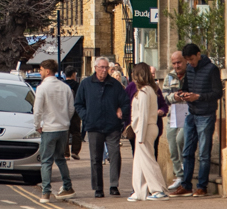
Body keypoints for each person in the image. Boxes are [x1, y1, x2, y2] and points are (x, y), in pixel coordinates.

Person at [168, 43, 224, 197]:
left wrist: (198, 96)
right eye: (187, 60)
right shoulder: (190, 69)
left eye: (191, 59)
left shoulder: (212, 69)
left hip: (206, 114)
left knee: (204, 154)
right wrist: (183, 94)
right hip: (191, 114)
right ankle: (186, 185)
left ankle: (202, 186)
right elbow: (186, 87)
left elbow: (217, 93)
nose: (190, 63)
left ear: (199, 55)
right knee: (187, 151)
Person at [74, 57, 130, 198]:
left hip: (112, 126)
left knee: (115, 155)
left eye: (106, 68)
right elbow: (78, 104)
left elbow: (125, 102)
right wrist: (86, 116)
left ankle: (113, 185)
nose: (104, 70)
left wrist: (121, 112)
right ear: (95, 68)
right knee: (96, 158)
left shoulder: (115, 85)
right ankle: (98, 188)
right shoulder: (86, 84)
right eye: (101, 67)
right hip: (94, 126)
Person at [33, 59, 75, 200]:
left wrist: (37, 125)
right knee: (60, 159)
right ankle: (67, 187)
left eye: (40, 70)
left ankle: (46, 192)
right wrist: (65, 121)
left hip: (49, 128)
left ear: (47, 71)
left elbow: (37, 110)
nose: (40, 73)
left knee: (46, 161)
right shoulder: (65, 87)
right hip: (63, 128)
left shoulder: (42, 88)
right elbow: (71, 108)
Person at [127, 63, 169, 201]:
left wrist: (140, 134)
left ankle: (158, 189)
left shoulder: (145, 92)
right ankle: (139, 191)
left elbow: (143, 115)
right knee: (139, 161)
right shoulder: (150, 89)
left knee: (148, 161)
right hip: (145, 128)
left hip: (145, 128)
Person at [162, 51, 188, 188]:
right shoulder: (170, 77)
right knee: (172, 146)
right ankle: (179, 175)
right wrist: (175, 97)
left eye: (179, 62)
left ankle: (185, 173)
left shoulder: (191, 74)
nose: (176, 65)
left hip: (188, 114)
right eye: (174, 63)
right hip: (173, 115)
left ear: (185, 61)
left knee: (181, 140)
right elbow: (165, 96)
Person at [61, 64, 83, 160]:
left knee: (65, 132)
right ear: (74, 74)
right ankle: (75, 151)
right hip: (75, 111)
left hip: (63, 111)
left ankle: (66, 154)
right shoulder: (78, 86)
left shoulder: (62, 85)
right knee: (76, 132)